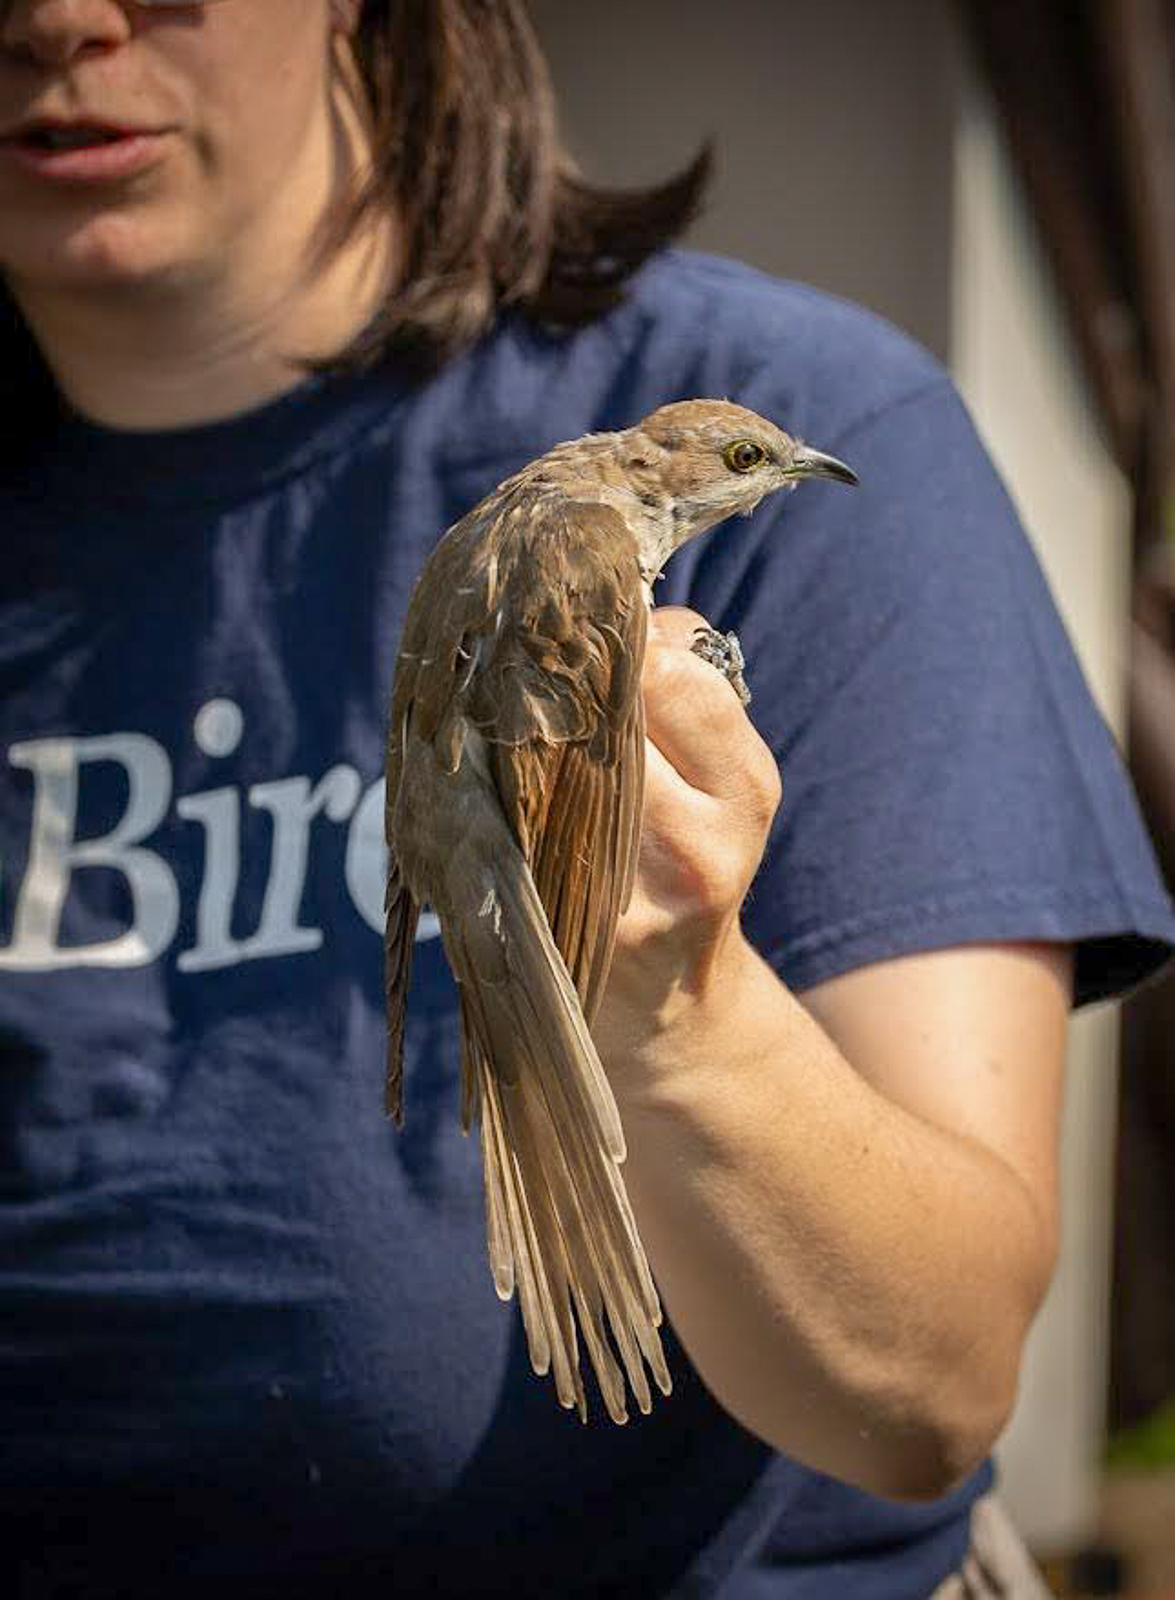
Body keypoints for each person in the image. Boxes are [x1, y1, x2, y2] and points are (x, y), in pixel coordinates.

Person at [1, 3, 1171, 1597]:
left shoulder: (791, 404)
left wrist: (664, 998)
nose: (61, 17)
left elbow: (935, 1390)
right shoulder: (563, 529)